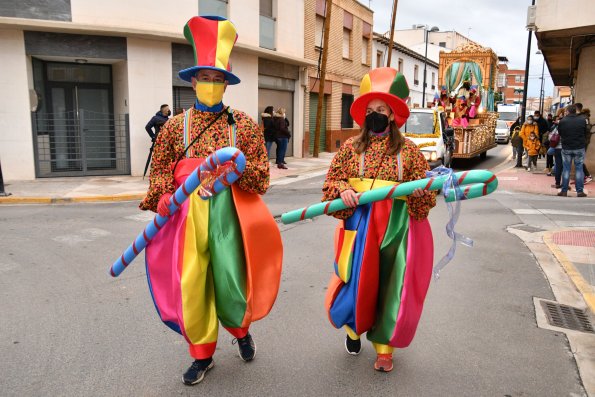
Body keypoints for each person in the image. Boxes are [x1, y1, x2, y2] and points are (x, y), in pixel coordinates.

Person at [139, 16, 283, 385]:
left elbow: (261, 177)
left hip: (231, 216)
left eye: (218, 79)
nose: (211, 85)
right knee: (193, 282)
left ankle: (240, 331)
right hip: (186, 218)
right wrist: (163, 197)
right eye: (205, 77)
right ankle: (202, 355)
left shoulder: (245, 125)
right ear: (192, 80)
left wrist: (234, 177)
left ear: (226, 84)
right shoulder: (174, 127)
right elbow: (159, 170)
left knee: (232, 279)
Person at [322, 67, 436, 373]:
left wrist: (420, 192)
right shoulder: (349, 148)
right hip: (359, 225)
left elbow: (425, 196)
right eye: (370, 109)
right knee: (357, 282)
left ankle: (385, 348)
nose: (375, 115)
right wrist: (342, 190)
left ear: (392, 113)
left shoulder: (409, 152)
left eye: (381, 109)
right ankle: (353, 329)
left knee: (391, 286)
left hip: (396, 228)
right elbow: (330, 184)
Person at [557, 105, 588, 197]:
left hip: (566, 147)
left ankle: (564, 190)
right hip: (579, 147)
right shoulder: (582, 120)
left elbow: (560, 133)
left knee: (566, 169)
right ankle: (580, 191)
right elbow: (585, 132)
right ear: (576, 111)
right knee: (579, 169)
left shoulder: (563, 121)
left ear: (568, 111)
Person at [576, 104, 593, 184]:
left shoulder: (584, 117)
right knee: (578, 160)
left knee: (579, 160)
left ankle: (587, 176)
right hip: (581, 141)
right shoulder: (582, 117)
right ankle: (582, 177)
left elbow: (587, 128)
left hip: (583, 142)